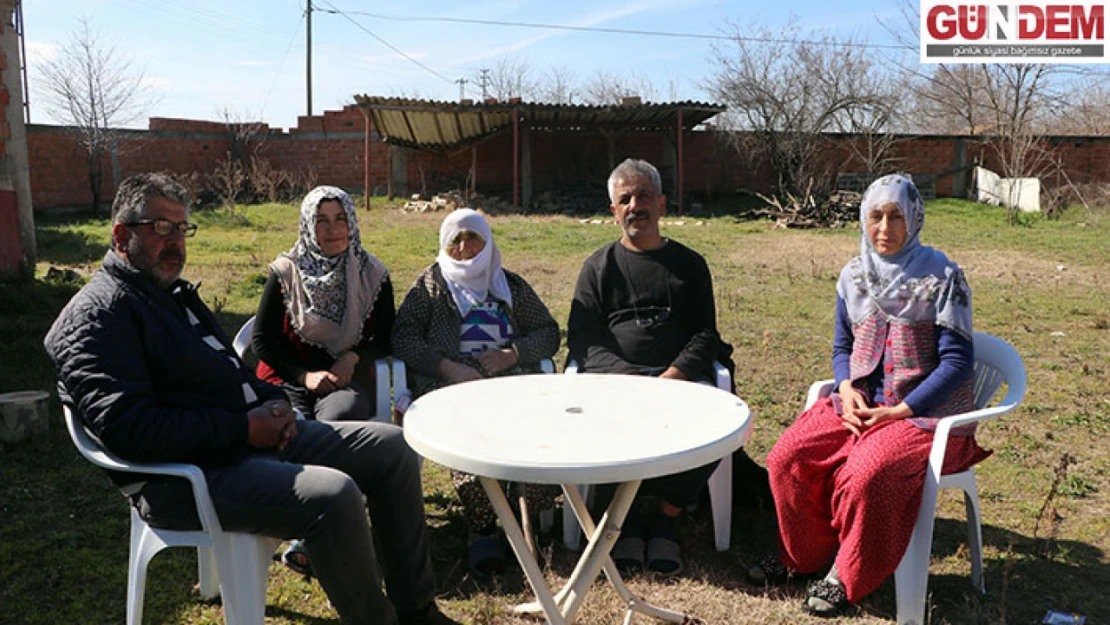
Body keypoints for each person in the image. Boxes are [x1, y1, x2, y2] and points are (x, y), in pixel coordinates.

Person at [44, 173, 459, 625]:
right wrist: (244, 428)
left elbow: (229, 370)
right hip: (186, 477)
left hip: (241, 440)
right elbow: (131, 430)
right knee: (334, 494)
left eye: (183, 228)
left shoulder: (169, 295)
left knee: (391, 449)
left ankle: (417, 609)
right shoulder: (95, 317)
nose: (176, 242)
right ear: (122, 235)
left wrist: (273, 402)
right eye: (162, 227)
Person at [749, 174, 987, 617]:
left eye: (896, 216)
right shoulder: (855, 275)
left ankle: (848, 574)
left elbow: (957, 365)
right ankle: (803, 556)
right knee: (787, 456)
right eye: (876, 216)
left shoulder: (943, 277)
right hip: (860, 403)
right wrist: (844, 387)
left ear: (914, 218)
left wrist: (900, 409)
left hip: (924, 415)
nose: (884, 228)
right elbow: (842, 347)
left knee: (868, 475)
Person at [565, 158, 729, 577]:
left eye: (643, 196)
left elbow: (705, 335)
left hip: (680, 380)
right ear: (613, 211)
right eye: (625, 199)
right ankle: (626, 515)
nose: (635, 205)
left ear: (661, 203)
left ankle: (667, 516)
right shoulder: (597, 268)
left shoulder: (690, 265)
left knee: (722, 423)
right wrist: (630, 380)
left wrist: (672, 377)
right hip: (616, 383)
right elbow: (583, 339)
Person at [391, 208, 561, 580]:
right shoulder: (429, 287)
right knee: (470, 448)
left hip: (511, 383)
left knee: (530, 443)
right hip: (451, 388)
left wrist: (511, 355)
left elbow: (549, 333)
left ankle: (522, 523)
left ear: (488, 243)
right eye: (456, 240)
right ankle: (483, 530)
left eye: (473, 239)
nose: (465, 248)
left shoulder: (509, 285)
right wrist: (450, 369)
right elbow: (402, 337)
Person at [251, 185, 395, 576]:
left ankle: (316, 531)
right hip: (287, 378)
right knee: (291, 427)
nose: (332, 230)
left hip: (344, 380)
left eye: (340, 219)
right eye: (321, 221)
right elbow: (262, 341)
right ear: (307, 226)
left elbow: (386, 335)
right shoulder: (286, 272)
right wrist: (303, 375)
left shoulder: (372, 273)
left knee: (339, 425)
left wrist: (353, 356)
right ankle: (313, 527)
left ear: (352, 222)